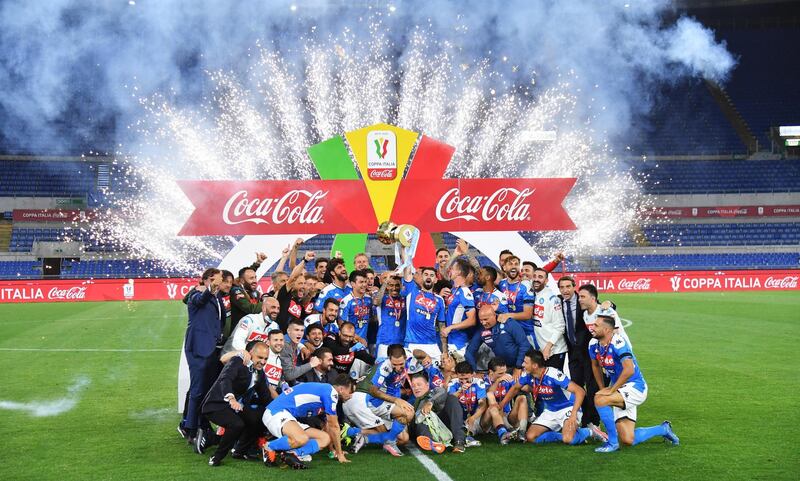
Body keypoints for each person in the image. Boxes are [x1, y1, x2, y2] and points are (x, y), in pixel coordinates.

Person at [589, 316, 679, 452]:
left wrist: (612, 389)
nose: (592, 328)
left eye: (596, 325)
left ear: (607, 330)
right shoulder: (593, 344)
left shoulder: (618, 343)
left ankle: (612, 443)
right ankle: (663, 429)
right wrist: (603, 388)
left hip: (635, 387)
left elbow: (629, 370)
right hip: (621, 389)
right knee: (627, 440)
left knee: (600, 399)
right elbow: (595, 366)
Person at [201, 342, 272, 466]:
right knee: (237, 424)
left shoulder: (259, 373)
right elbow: (226, 379)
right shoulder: (238, 362)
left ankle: (240, 451)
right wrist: (231, 398)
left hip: (234, 406)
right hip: (216, 404)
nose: (263, 361)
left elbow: (265, 397)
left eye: (265, 358)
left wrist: (279, 410)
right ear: (250, 355)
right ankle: (217, 456)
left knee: (258, 418)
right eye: (259, 358)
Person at [512, 349, 604, 446]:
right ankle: (565, 434)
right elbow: (515, 388)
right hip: (550, 411)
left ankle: (591, 431)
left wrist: (573, 414)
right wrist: (501, 405)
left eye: (525, 362)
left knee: (568, 440)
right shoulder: (528, 375)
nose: (522, 365)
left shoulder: (553, 374)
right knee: (531, 437)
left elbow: (580, 391)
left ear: (534, 365)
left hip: (568, 408)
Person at [261, 379, 351, 468]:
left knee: (325, 438)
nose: (351, 395)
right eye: (350, 391)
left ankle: (293, 454)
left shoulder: (325, 391)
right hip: (275, 412)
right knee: (301, 438)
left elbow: (328, 425)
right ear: (341, 389)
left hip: (288, 416)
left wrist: (332, 450)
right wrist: (340, 454)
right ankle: (268, 446)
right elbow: (334, 426)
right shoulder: (331, 393)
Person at [181, 268, 225, 448]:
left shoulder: (217, 296)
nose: (221, 282)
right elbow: (198, 300)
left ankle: (202, 425)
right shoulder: (196, 294)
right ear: (210, 279)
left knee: (206, 391)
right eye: (219, 279)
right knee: (198, 390)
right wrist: (207, 289)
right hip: (199, 348)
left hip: (213, 349)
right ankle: (190, 429)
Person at [558, 275, 596, 426]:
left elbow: (599, 306)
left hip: (587, 352)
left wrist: (610, 304)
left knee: (592, 387)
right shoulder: (557, 301)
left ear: (574, 287)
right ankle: (586, 419)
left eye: (568, 286)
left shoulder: (582, 301)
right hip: (572, 352)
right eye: (562, 287)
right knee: (578, 388)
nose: (565, 290)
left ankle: (593, 420)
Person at [449, 361, 512, 445]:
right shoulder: (453, 383)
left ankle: (503, 433)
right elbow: (450, 401)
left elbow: (482, 404)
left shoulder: (479, 383)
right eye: (461, 379)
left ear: (472, 374)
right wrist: (460, 391)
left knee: (492, 408)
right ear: (457, 375)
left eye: (466, 379)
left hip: (478, 419)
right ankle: (466, 437)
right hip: (459, 419)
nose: (464, 382)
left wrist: (473, 418)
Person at [409, 371, 467, 453]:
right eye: (413, 386)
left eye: (419, 384)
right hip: (427, 429)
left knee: (451, 399)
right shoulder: (412, 402)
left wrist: (430, 402)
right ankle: (432, 443)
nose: (416, 388)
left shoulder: (434, 392)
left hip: (444, 424)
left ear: (427, 385)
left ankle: (459, 441)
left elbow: (443, 392)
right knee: (421, 418)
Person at [465, 305, 528, 375]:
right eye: (481, 320)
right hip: (504, 368)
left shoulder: (509, 324)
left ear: (494, 315)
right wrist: (475, 372)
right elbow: (469, 352)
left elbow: (524, 345)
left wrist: (518, 366)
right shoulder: (482, 331)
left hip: (522, 366)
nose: (483, 323)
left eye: (486, 319)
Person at [401, 265, 446, 362]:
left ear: (435, 280)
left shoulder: (440, 300)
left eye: (432, 275)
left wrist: (445, 351)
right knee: (413, 376)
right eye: (426, 274)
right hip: (412, 343)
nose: (428, 277)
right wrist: (405, 251)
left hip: (432, 345)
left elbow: (442, 326)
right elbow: (407, 271)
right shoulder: (412, 291)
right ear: (422, 277)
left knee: (436, 375)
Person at [530, 267, 568, 369]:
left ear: (546, 281)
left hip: (554, 350)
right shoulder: (532, 295)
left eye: (540, 277)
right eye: (534, 276)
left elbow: (560, 326)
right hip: (541, 350)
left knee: (553, 382)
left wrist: (548, 347)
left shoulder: (552, 299)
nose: (536, 279)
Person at [440, 258, 477, 356]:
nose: (449, 270)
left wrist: (450, 327)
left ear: (459, 272)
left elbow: (472, 320)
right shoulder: (453, 290)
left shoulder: (465, 292)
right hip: (449, 339)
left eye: (452, 268)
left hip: (458, 342)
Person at [484, 357, 528, 439]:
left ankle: (522, 432)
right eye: (500, 373)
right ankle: (506, 431)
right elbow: (488, 393)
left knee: (522, 398)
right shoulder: (484, 380)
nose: (503, 375)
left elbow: (521, 387)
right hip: (492, 416)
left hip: (507, 415)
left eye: (504, 372)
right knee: (492, 400)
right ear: (491, 372)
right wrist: (497, 381)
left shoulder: (507, 377)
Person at [276, 250, 316, 331]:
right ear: (292, 285)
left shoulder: (300, 303)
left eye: (305, 283)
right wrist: (305, 261)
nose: (303, 286)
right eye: (300, 283)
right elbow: (279, 276)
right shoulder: (284, 296)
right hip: (281, 336)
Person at [497, 255, 535, 335]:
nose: (514, 266)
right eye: (510, 264)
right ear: (504, 268)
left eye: (516, 264)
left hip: (525, 331)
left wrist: (507, 316)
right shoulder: (501, 284)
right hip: (508, 330)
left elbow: (527, 315)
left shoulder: (525, 285)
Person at [229, 253, 268, 329]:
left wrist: (257, 263)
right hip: (237, 332)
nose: (255, 281)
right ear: (242, 281)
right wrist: (267, 303)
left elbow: (248, 274)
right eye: (251, 278)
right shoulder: (236, 291)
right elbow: (250, 308)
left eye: (255, 277)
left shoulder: (255, 293)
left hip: (252, 331)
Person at [373, 274, 406, 359]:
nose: (394, 288)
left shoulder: (405, 299)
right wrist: (385, 282)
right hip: (384, 341)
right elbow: (376, 302)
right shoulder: (382, 298)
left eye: (397, 285)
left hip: (401, 342)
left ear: (401, 286)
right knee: (382, 368)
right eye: (391, 285)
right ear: (387, 286)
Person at [280, 319, 321, 385]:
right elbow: (289, 375)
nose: (299, 333)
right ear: (288, 331)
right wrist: (311, 364)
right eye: (296, 330)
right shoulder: (286, 345)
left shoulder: (294, 344)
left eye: (302, 330)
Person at [339, 270, 373, 340]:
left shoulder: (369, 299)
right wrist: (359, 339)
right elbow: (341, 324)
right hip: (350, 341)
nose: (364, 285)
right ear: (352, 284)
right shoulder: (346, 301)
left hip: (365, 341)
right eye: (361, 282)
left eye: (365, 282)